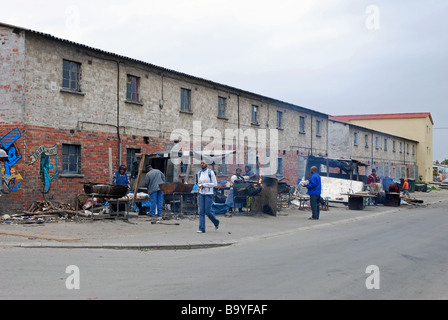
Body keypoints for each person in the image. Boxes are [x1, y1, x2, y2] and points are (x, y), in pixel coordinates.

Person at [197, 160, 219, 233]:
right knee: (201, 212)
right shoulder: (199, 173)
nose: (202, 164)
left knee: (208, 211)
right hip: (201, 193)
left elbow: (215, 184)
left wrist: (205, 185)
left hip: (209, 194)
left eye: (203, 163)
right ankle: (201, 228)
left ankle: (216, 222)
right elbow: (199, 182)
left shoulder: (211, 172)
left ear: (206, 164)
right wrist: (200, 185)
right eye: (201, 163)